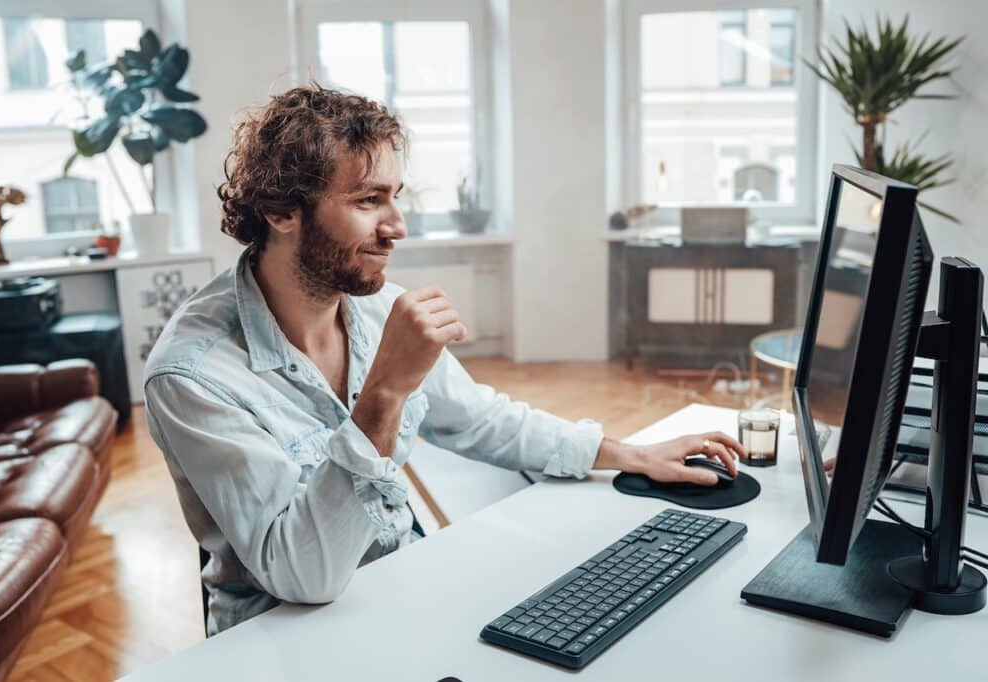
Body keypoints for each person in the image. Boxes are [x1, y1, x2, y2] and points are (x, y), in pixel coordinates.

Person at [144, 84, 747, 635]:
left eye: (396, 198)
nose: (397, 226)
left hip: (401, 586)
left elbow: (479, 419)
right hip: (280, 637)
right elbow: (304, 577)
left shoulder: (378, 306)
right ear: (280, 212)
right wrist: (383, 394)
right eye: (367, 200)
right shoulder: (193, 374)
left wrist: (628, 453)